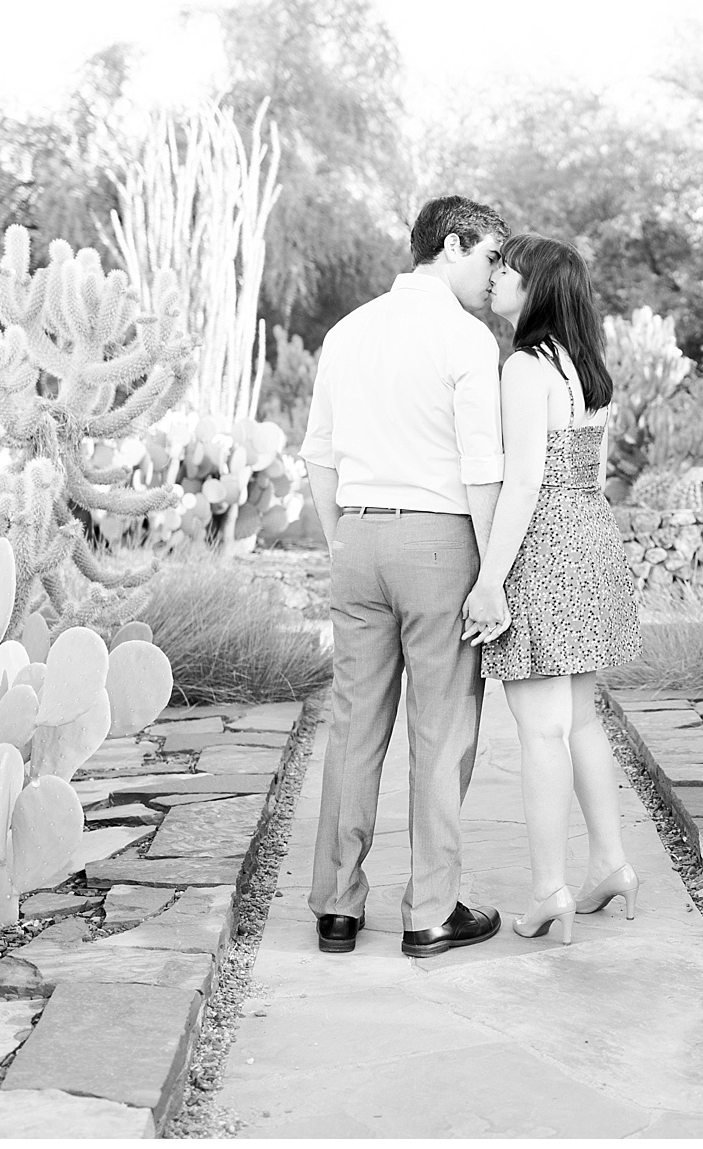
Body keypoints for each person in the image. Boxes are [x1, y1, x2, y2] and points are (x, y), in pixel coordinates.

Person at [300, 195, 511, 958]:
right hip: (441, 543)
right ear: (452, 245)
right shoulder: (465, 339)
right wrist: (493, 573)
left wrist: (342, 540)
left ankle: (336, 906)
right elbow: (482, 467)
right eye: (490, 256)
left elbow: (318, 455)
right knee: (442, 729)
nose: (496, 276)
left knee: (354, 725)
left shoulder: (347, 331)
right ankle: (430, 911)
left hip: (356, 536)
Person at [463, 233, 643, 945]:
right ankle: (610, 865)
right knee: (581, 720)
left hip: (543, 543)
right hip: (592, 539)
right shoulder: (585, 371)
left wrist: (490, 581)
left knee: (540, 730)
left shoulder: (523, 368)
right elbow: (579, 476)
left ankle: (548, 891)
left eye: (508, 270)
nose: (497, 277)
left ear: (536, 288)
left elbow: (525, 482)